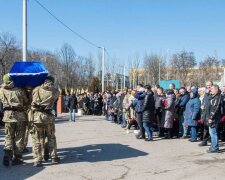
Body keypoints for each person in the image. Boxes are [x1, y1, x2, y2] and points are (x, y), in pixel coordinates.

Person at [29, 76, 60, 166]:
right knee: (51, 137)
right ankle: (54, 157)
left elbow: (32, 99)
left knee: (37, 138)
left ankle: (38, 160)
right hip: (48, 117)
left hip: (37, 117)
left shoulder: (36, 89)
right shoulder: (55, 91)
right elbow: (55, 99)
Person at [0, 74, 29, 166]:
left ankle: (7, 151)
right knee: (19, 137)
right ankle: (17, 157)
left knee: (9, 135)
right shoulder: (19, 90)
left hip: (7, 116)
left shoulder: (1, 90)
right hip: (20, 116)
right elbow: (26, 102)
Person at [205, 85, 222, 153]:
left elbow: (216, 108)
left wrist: (211, 117)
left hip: (214, 118)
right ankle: (213, 146)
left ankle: (215, 148)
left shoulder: (218, 97)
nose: (210, 90)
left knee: (213, 133)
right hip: (210, 117)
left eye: (212, 89)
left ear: (216, 89)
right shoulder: (212, 97)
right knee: (211, 133)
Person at [199, 81, 213, 146]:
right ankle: (205, 141)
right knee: (205, 128)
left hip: (211, 113)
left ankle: (212, 141)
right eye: (207, 85)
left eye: (209, 85)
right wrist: (202, 105)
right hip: (205, 113)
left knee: (212, 129)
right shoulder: (206, 94)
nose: (208, 86)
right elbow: (204, 101)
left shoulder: (214, 93)